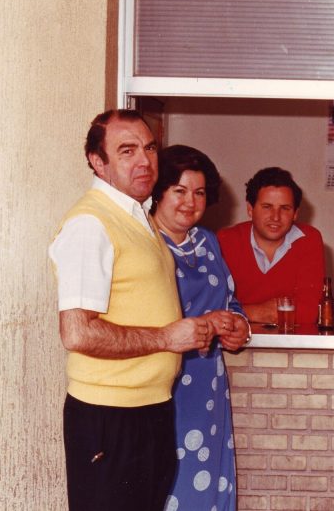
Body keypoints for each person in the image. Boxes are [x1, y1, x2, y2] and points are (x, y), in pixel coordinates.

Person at [49, 110, 218, 511]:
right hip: (109, 415)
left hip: (149, 408)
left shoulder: (138, 216)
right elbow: (77, 332)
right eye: (127, 151)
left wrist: (189, 333)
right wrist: (167, 338)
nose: (144, 161)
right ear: (98, 161)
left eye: (149, 148)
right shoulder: (91, 223)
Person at [151, 145, 251, 511]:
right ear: (158, 192)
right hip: (166, 385)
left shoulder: (207, 241)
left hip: (209, 385)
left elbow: (230, 302)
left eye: (199, 192)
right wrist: (204, 323)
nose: (190, 202)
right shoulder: (146, 242)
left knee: (208, 483)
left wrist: (239, 326)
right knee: (170, 483)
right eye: (179, 191)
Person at [217, 167, 325, 334]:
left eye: (285, 208)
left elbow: (309, 313)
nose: (275, 217)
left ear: (295, 214)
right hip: (235, 343)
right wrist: (263, 311)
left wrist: (241, 311)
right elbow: (213, 310)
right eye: (267, 207)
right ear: (250, 209)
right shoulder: (225, 240)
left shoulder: (309, 239)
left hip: (290, 344)